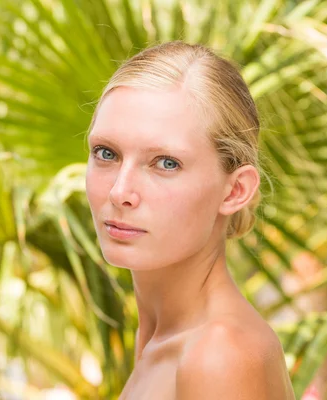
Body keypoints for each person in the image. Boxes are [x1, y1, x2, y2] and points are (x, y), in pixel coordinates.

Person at [84, 41, 296, 399]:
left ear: (234, 191)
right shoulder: (162, 337)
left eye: (166, 163)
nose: (120, 192)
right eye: (107, 153)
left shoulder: (219, 357)